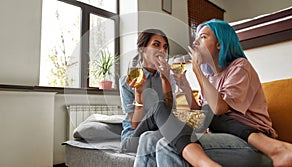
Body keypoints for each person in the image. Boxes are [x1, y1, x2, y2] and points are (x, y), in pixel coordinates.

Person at [131, 19, 292, 167]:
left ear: (219, 44)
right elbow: (201, 114)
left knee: (166, 145)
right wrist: (185, 86)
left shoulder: (240, 67)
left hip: (249, 145)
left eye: (203, 37)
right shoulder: (210, 78)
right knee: (148, 139)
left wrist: (197, 71)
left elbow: (218, 110)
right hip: (221, 136)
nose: (195, 42)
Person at [119, 28, 176, 158]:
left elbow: (169, 116)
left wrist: (165, 80)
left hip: (161, 133)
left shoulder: (168, 78)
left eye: (165, 47)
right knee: (159, 109)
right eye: (156, 45)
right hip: (134, 138)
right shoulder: (127, 81)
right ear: (142, 49)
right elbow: (136, 125)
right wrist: (139, 94)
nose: (162, 51)